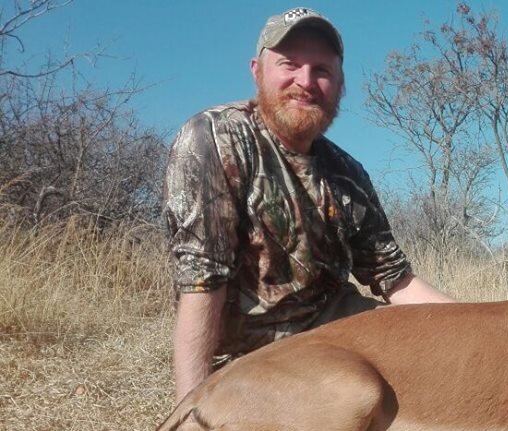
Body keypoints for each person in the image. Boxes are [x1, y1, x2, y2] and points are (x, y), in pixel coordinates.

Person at [162, 7, 454, 402]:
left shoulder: (347, 172)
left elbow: (395, 280)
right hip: (255, 351)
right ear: (257, 71)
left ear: (340, 83)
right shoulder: (214, 138)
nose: (306, 82)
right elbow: (201, 280)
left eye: (322, 70)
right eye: (290, 65)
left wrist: (480, 325)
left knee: (439, 351)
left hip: (334, 330)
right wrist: (190, 408)